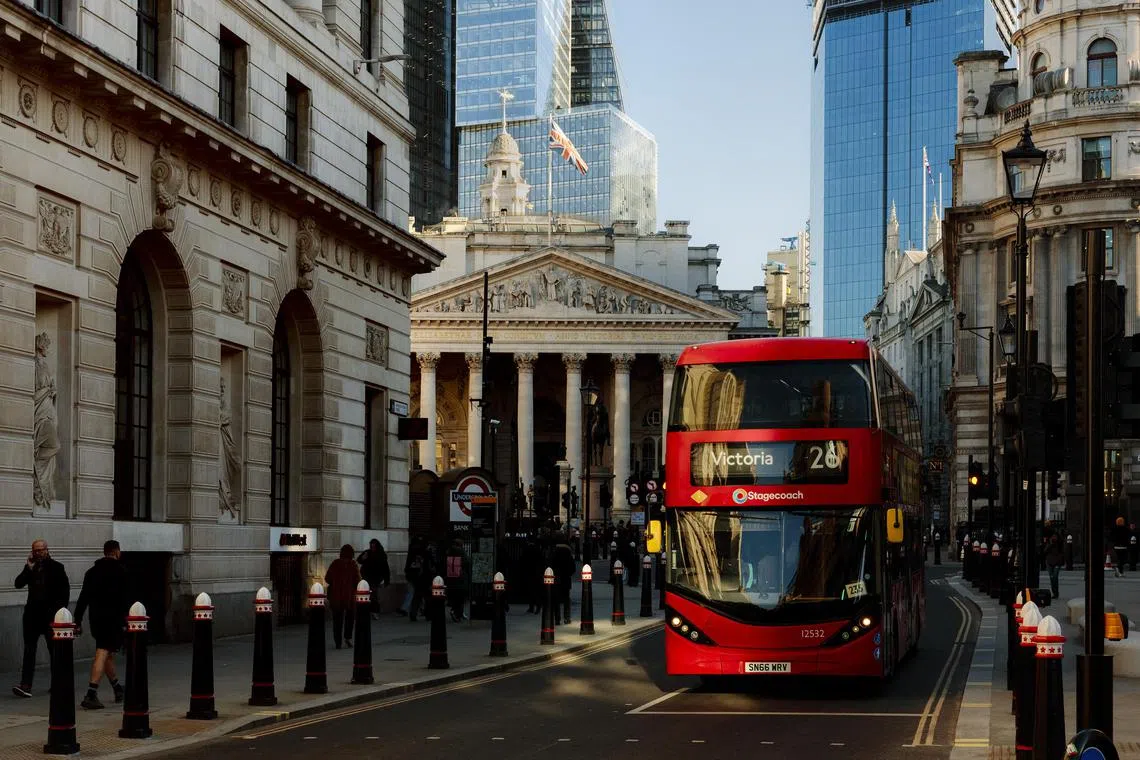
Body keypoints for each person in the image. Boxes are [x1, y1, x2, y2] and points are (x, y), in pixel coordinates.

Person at [74, 540, 129, 709]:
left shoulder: (92, 572)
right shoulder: (121, 571)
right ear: (117, 552)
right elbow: (126, 599)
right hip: (113, 619)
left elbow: (83, 598)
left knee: (105, 653)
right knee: (103, 651)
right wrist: (127, 621)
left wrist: (77, 620)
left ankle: (117, 688)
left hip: (96, 619)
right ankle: (91, 692)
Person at [12, 539, 69, 698]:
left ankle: (58, 683)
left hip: (50, 617)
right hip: (31, 617)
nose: (38, 553)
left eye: (40, 550)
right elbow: (18, 584)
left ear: (46, 550)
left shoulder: (57, 568)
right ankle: (26, 685)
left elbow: (64, 593)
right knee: (29, 650)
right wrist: (28, 569)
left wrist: (59, 614)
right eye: (35, 550)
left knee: (54, 652)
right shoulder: (31, 567)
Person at [325, 544, 360, 649]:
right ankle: (347, 638)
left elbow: (327, 578)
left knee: (337, 620)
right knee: (350, 618)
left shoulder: (335, 564)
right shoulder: (353, 565)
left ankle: (338, 641)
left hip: (336, 597)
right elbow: (358, 580)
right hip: (349, 597)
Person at [357, 539, 390, 619]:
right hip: (366, 577)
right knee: (368, 595)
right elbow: (359, 560)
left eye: (374, 546)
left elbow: (385, 568)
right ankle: (369, 611)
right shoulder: (367, 552)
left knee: (374, 595)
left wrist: (386, 580)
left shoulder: (381, 554)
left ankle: (374, 611)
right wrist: (363, 558)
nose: (372, 548)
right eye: (371, 546)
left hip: (375, 578)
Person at [400, 537, 426, 620]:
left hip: (412, 575)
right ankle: (419, 609)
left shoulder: (411, 551)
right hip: (418, 576)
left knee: (414, 593)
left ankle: (415, 610)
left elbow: (408, 565)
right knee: (417, 594)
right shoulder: (421, 551)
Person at [444, 539, 469, 622]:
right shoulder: (461, 552)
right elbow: (467, 562)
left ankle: (457, 612)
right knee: (461, 597)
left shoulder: (448, 552)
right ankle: (456, 613)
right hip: (460, 577)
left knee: (454, 596)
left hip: (450, 577)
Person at [1045, 533, 1063, 598]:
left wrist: (1060, 561)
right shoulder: (1049, 543)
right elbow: (1045, 551)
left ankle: (1056, 593)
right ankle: (1054, 592)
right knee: (1052, 578)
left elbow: (1062, 553)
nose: (1054, 538)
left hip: (1057, 563)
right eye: (1053, 537)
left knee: (1055, 577)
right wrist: (1050, 544)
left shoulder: (1060, 544)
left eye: (1055, 537)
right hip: (1049, 562)